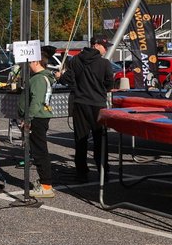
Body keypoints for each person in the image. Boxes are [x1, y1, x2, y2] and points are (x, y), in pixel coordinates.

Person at [59, 35, 115, 181]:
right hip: (98, 105)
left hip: (80, 103)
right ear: (96, 45)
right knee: (100, 139)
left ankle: (82, 172)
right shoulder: (104, 64)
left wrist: (60, 76)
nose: (106, 49)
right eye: (104, 46)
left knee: (80, 139)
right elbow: (110, 84)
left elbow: (68, 80)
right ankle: (103, 171)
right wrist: (102, 89)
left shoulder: (75, 60)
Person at [18, 47, 58, 198]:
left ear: (36, 61)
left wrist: (28, 120)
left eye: (29, 62)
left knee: (40, 152)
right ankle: (44, 183)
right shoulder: (43, 77)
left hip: (37, 118)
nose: (28, 65)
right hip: (39, 117)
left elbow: (36, 101)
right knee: (38, 150)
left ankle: (46, 185)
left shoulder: (39, 79)